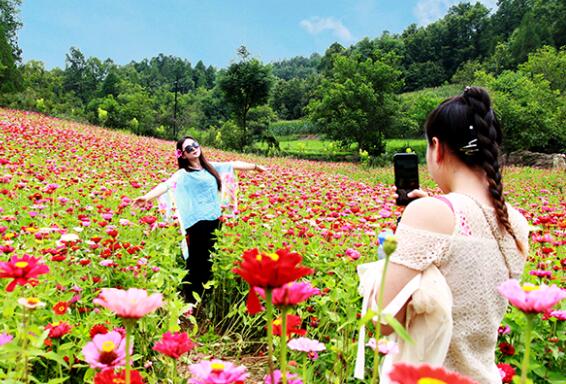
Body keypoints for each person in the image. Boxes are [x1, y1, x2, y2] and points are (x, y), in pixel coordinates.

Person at [377, 87, 529, 383]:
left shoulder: (428, 214)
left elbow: (385, 320)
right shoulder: (516, 222)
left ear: (437, 147)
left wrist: (393, 242)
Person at [133, 136, 266, 302]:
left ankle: (205, 296)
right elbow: (166, 185)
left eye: (195, 145)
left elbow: (232, 164)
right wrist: (146, 197)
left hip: (215, 220)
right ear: (182, 154)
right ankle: (190, 299)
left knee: (210, 259)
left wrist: (255, 166)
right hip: (196, 223)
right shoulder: (182, 174)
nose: (194, 149)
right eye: (188, 148)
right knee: (196, 261)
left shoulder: (210, 167)